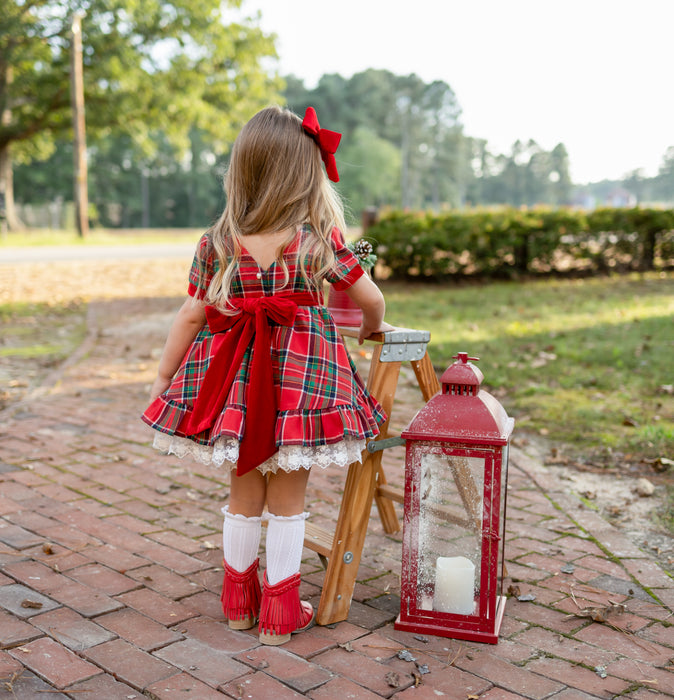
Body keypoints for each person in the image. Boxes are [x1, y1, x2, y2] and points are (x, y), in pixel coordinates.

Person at [142, 105, 390, 645]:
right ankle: (280, 612)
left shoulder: (218, 241)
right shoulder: (319, 240)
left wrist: (165, 377)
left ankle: (237, 602)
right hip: (304, 384)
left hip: (237, 378)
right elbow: (371, 298)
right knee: (289, 500)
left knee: (243, 490)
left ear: (242, 172)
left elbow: (190, 314)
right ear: (307, 174)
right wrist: (372, 327)